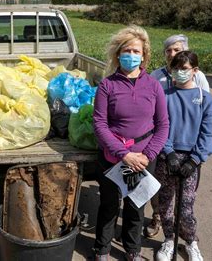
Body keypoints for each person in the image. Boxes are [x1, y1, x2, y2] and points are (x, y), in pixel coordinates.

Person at [92, 25, 169, 261]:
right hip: (114, 157)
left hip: (144, 158)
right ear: (118, 55)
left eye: (137, 51)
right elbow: (99, 123)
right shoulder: (108, 85)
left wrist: (148, 155)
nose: (132, 55)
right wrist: (124, 154)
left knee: (136, 206)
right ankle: (102, 249)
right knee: (109, 206)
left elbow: (163, 124)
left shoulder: (154, 86)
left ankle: (132, 250)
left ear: (144, 55)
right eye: (127, 50)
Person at [155, 51, 212, 261]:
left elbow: (209, 132)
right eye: (176, 68)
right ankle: (168, 239)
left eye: (185, 68)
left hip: (191, 159)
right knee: (165, 203)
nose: (180, 72)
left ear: (195, 71)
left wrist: (195, 159)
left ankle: (191, 241)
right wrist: (168, 151)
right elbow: (158, 127)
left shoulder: (204, 99)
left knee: (185, 207)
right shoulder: (165, 97)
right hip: (168, 158)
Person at [145, 34, 210, 238]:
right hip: (161, 143)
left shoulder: (197, 77)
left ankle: (185, 229)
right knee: (159, 186)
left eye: (177, 49)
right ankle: (159, 219)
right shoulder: (157, 76)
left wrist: (199, 150)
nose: (172, 54)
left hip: (189, 146)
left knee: (186, 193)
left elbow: (203, 112)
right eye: (168, 50)